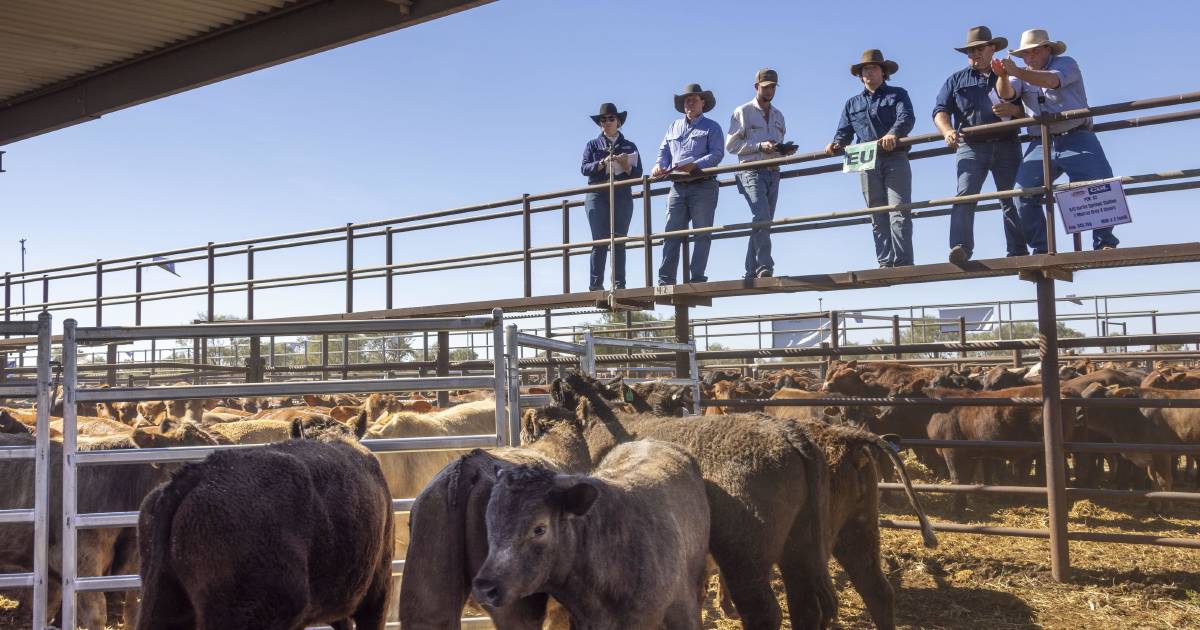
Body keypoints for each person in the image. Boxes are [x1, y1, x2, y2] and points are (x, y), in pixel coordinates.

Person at [998, 28, 1119, 253]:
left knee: (1099, 185)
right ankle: (1042, 249)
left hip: (1077, 136)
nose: (1028, 58)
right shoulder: (1020, 74)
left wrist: (1018, 72)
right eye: (1024, 54)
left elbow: (1053, 81)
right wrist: (1004, 76)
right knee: (1022, 194)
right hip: (1040, 141)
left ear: (1047, 49)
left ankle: (1104, 243)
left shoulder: (1066, 64)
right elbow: (1006, 94)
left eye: (1032, 52)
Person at [934, 26, 1027, 264]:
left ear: (992, 48)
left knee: (1013, 198)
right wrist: (947, 131)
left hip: (1007, 143)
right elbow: (940, 111)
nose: (974, 54)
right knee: (965, 196)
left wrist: (1014, 110)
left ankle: (1018, 251)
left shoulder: (1010, 74)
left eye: (978, 49)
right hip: (972, 147)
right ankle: (960, 248)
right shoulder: (955, 80)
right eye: (970, 50)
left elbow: (1030, 107)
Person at [825, 49, 916, 267]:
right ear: (860, 74)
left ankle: (903, 262)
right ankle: (885, 261)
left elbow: (906, 117)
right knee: (876, 213)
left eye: (873, 68)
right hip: (866, 161)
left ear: (883, 72)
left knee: (898, 210)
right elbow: (844, 131)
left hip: (894, 157)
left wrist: (893, 133)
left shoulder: (898, 94)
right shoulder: (852, 103)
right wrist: (836, 144)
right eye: (865, 69)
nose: (868, 72)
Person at [652, 83, 724, 285]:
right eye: (687, 100)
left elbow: (717, 154)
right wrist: (659, 166)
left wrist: (694, 165)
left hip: (703, 184)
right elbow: (663, 152)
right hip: (677, 185)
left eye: (694, 99)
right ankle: (666, 279)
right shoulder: (673, 126)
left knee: (702, 233)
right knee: (671, 233)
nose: (690, 102)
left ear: (703, 102)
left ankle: (697, 278)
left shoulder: (712, 127)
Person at [727, 68, 795, 279]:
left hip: (773, 171)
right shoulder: (743, 111)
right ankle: (765, 266)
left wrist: (784, 150)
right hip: (751, 171)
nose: (769, 90)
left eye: (773, 87)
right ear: (756, 87)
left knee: (763, 222)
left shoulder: (779, 115)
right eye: (766, 87)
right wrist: (759, 146)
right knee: (762, 218)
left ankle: (751, 271)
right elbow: (731, 145)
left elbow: (776, 144)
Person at [580, 102, 642, 291]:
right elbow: (584, 168)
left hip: (621, 193)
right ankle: (596, 285)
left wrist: (625, 164)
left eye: (611, 119)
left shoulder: (629, 145)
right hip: (597, 193)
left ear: (618, 122)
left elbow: (638, 173)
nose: (607, 122)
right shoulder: (592, 145)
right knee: (600, 240)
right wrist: (601, 163)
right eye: (603, 120)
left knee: (619, 239)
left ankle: (619, 284)